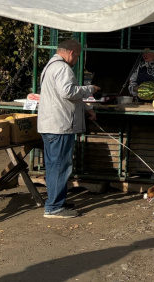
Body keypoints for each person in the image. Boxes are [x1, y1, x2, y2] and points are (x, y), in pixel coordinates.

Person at [37, 39, 99, 219]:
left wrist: (87, 109)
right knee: (60, 166)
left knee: (53, 165)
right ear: (72, 52)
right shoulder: (63, 68)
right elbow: (68, 92)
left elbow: (64, 95)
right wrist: (90, 89)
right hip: (60, 126)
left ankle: (57, 201)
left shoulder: (50, 66)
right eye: (78, 55)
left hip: (51, 124)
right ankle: (54, 207)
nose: (77, 59)